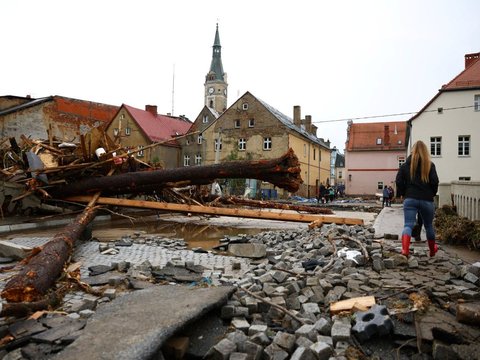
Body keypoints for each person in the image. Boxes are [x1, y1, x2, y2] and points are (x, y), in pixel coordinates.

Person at [395, 140, 439, 257]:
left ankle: (405, 250)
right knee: (429, 225)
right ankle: (432, 251)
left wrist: (405, 192)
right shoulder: (430, 165)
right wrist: (432, 194)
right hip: (427, 200)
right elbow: (435, 182)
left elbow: (398, 180)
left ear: (412, 151)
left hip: (410, 199)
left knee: (408, 225)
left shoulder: (405, 165)